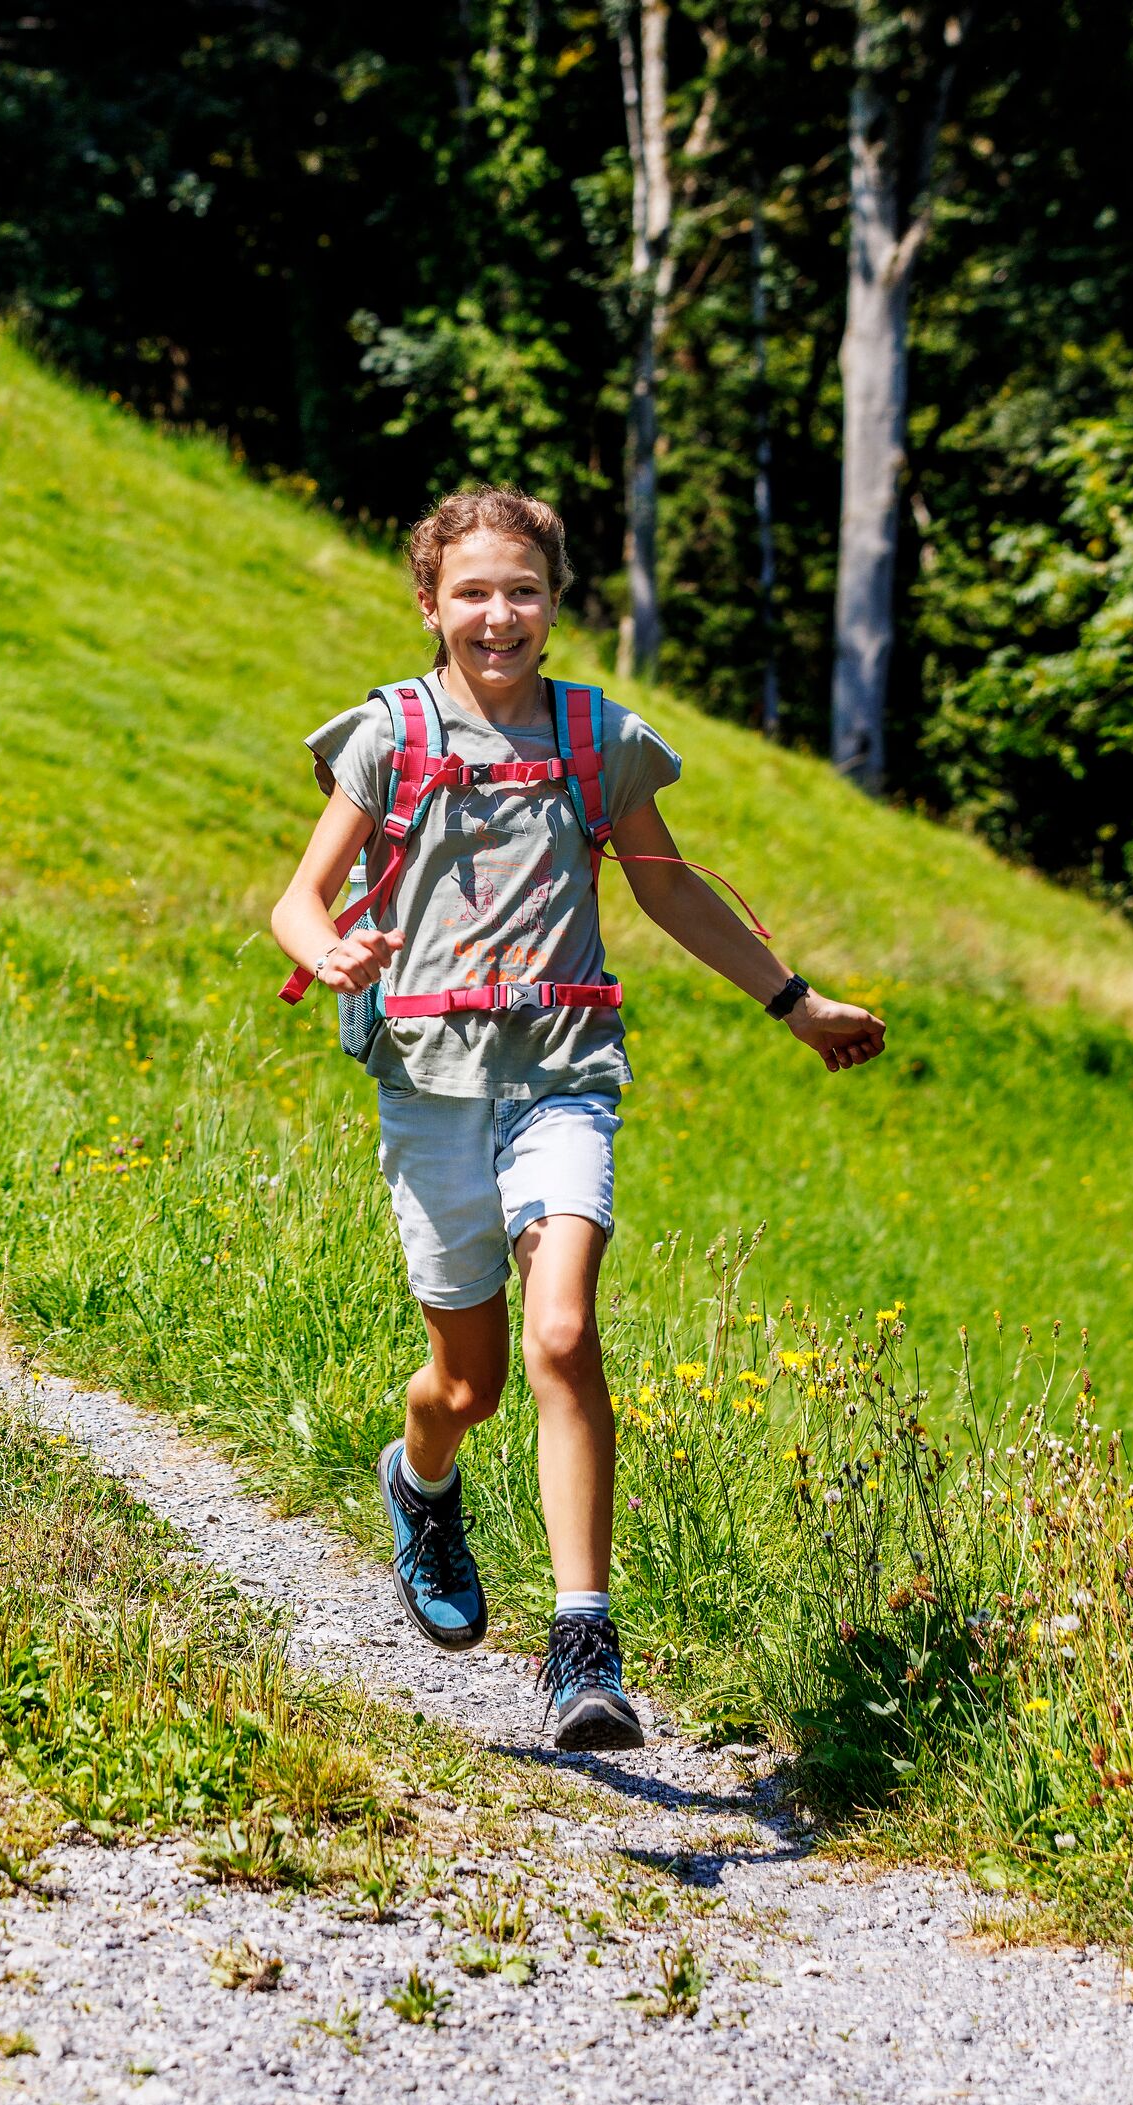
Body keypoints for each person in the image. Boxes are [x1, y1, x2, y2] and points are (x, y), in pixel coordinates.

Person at [267, 486, 886, 1753]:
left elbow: (667, 893)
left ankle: (582, 1640)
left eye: (523, 591)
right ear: (429, 604)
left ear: (555, 602)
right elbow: (295, 899)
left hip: (562, 1070)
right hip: (431, 1078)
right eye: (472, 593)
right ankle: (420, 1479)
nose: (498, 615)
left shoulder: (594, 736)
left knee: (563, 1332)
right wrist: (330, 953)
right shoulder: (388, 735)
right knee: (466, 1382)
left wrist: (792, 999)